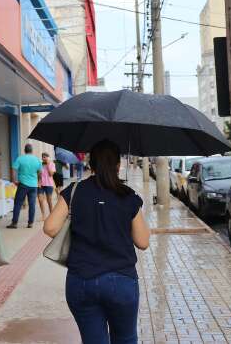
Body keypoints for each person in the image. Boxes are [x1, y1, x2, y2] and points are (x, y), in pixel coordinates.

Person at [43, 140, 151, 344]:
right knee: (126, 339)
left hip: (81, 280)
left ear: (90, 165)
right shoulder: (127, 196)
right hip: (122, 281)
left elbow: (50, 227)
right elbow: (143, 242)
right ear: (118, 166)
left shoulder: (74, 191)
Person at [8, 143, 42, 229]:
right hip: (34, 185)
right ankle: (30, 223)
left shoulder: (20, 158)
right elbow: (40, 172)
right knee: (32, 204)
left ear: (25, 150)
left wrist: (14, 180)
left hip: (23, 184)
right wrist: (39, 181)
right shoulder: (37, 159)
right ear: (32, 150)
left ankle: (14, 223)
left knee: (18, 203)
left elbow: (13, 169)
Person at [38, 152, 57, 220]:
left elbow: (51, 174)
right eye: (43, 157)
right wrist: (39, 181)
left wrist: (48, 164)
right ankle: (43, 215)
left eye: (45, 157)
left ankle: (51, 213)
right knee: (40, 199)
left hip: (49, 184)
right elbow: (38, 175)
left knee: (49, 200)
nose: (44, 158)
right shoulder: (40, 165)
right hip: (41, 185)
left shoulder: (52, 164)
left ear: (48, 158)